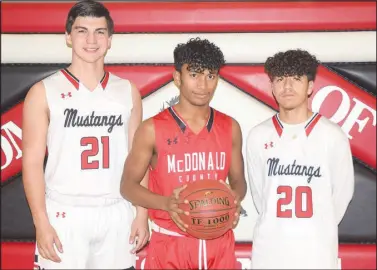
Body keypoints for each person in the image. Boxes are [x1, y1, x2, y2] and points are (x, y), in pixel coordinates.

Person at [22, 1, 149, 269]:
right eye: (82, 31)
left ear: (110, 39)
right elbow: (32, 163)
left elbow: (138, 158)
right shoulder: (43, 92)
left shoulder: (127, 91)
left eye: (100, 32)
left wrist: (142, 213)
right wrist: (41, 221)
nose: (91, 40)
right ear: (68, 37)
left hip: (116, 211)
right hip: (65, 212)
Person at [120, 37, 247, 269]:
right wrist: (166, 203)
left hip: (219, 247)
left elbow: (239, 182)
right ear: (177, 77)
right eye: (195, 75)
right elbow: (127, 186)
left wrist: (233, 201)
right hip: (170, 244)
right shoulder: (151, 129)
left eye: (211, 76)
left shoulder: (230, 127)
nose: (203, 85)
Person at [246, 49, 355, 269]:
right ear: (272, 87)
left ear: (311, 86)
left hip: (316, 254)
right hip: (269, 253)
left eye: (296, 79)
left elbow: (342, 196)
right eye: (280, 79)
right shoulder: (258, 136)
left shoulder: (332, 135)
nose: (287, 86)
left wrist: (316, 227)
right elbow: (260, 197)